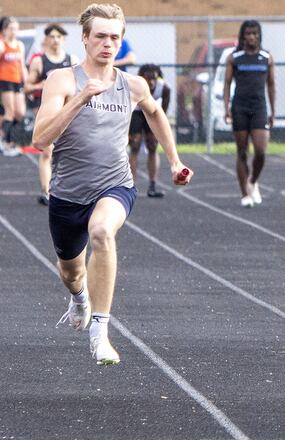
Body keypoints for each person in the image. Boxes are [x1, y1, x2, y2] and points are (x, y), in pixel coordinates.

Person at [32, 3, 192, 365]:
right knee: (71, 273)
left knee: (103, 232)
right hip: (67, 194)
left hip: (115, 185)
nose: (108, 43)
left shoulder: (132, 84)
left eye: (115, 37)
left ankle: (100, 333)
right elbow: (41, 139)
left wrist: (175, 161)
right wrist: (80, 99)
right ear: (85, 39)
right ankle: (80, 298)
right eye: (100, 36)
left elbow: (155, 112)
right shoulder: (62, 80)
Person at [223, 20, 275, 208]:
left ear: (259, 35)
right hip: (240, 107)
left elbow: (271, 85)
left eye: (254, 33)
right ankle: (245, 193)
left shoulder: (266, 57)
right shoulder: (234, 57)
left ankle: (252, 181)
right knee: (242, 151)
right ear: (242, 36)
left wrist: (273, 110)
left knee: (260, 151)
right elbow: (227, 83)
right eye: (248, 34)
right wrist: (226, 107)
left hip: (259, 106)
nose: (251, 37)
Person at [25, 23, 78, 205]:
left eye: (59, 37)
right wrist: (45, 84)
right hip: (46, 110)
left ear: (63, 40)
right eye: (52, 37)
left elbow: (80, 86)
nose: (55, 40)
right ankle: (46, 192)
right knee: (47, 151)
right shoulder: (39, 61)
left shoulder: (72, 60)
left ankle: (69, 188)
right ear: (46, 39)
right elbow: (27, 87)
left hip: (67, 111)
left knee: (69, 150)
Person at [129, 64, 171, 198]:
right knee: (134, 146)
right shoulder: (135, 86)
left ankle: (153, 185)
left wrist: (159, 125)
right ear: (142, 78)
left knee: (152, 146)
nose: (151, 82)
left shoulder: (164, 87)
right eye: (148, 79)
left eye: (154, 79)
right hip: (135, 113)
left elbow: (163, 111)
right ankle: (130, 185)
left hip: (151, 113)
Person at [0, 16, 27, 157]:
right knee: (9, 112)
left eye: (16, 29)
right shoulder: (2, 44)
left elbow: (22, 65)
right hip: (4, 80)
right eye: (11, 29)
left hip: (17, 81)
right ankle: (6, 142)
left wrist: (26, 82)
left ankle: (8, 140)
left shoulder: (19, 45)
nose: (13, 32)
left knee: (20, 113)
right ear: (4, 30)